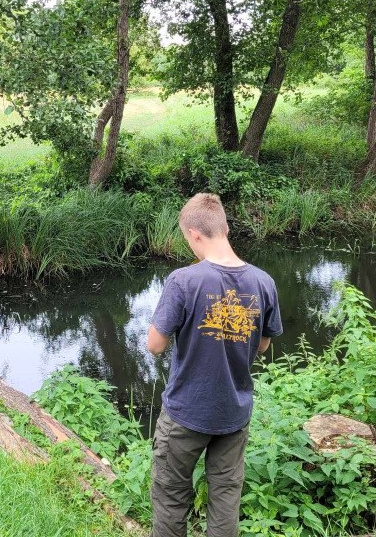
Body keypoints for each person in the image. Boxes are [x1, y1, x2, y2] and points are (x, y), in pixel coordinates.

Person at [146, 193, 282, 537]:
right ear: (224, 228)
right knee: (225, 499)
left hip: (185, 413)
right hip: (233, 413)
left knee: (171, 496)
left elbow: (155, 346)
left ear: (194, 234)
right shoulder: (263, 282)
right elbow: (264, 345)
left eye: (185, 238)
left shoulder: (184, 280)